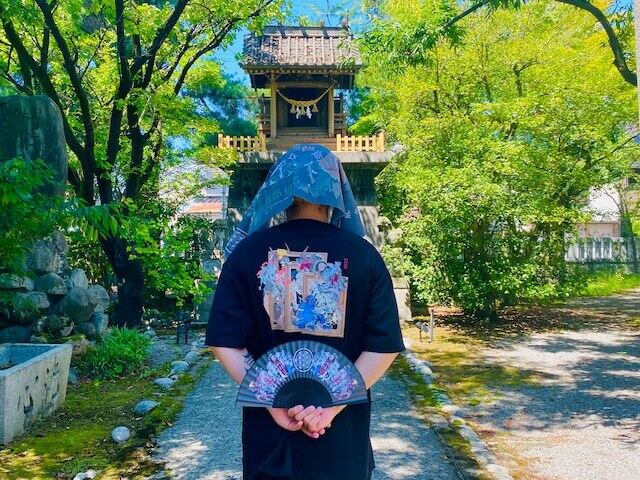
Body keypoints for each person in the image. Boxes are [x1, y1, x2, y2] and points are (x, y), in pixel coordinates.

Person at [206, 144, 405, 480]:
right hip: (341, 437)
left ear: (279, 189)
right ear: (337, 191)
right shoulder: (364, 256)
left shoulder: (246, 254)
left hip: (269, 437)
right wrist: (331, 407)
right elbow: (383, 346)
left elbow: (224, 342)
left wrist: (272, 400)